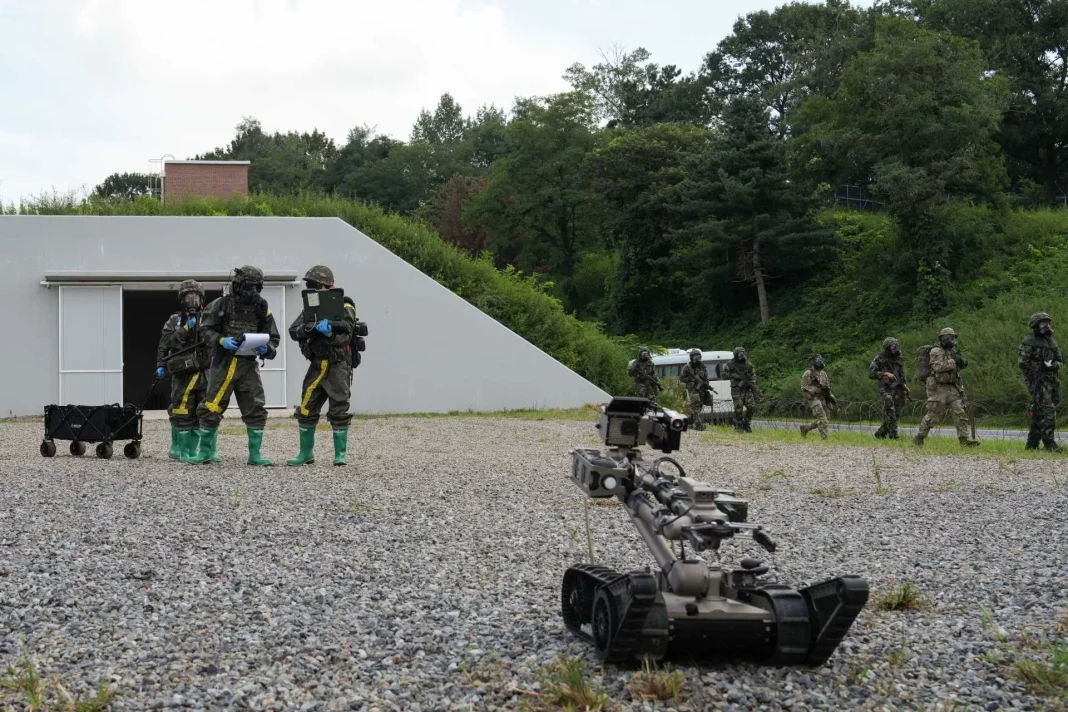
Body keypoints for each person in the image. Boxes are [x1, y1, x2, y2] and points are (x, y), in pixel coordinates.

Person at [186, 265, 281, 465]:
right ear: (237, 285)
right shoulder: (221, 305)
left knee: (255, 406)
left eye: (256, 287)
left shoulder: (263, 309)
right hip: (224, 363)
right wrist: (221, 341)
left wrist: (267, 349)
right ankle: (205, 452)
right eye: (248, 286)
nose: (252, 291)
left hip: (248, 365)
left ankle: (255, 455)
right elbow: (205, 330)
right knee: (212, 405)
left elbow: (273, 337)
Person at [287, 265, 358, 467]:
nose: (312, 288)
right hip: (317, 364)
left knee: (339, 407)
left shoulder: (345, 305)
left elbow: (346, 334)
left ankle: (340, 455)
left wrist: (329, 333)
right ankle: (306, 454)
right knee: (307, 406)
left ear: (325, 285)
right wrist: (310, 329)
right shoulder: (311, 307)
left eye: (314, 284)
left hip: (338, 365)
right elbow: (294, 330)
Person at [156, 279, 214, 460]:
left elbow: (216, 341)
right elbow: (165, 344)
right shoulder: (175, 320)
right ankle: (181, 451)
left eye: (195, 296)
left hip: (205, 372)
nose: (192, 300)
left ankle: (198, 450)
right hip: (182, 374)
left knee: (203, 411)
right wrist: (161, 365)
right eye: (188, 296)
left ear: (201, 298)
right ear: (182, 299)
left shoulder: (209, 318)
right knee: (180, 409)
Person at [914, 327, 979, 447]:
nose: (950, 339)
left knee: (960, 412)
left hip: (952, 386)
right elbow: (937, 367)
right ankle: (919, 438)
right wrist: (953, 362)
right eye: (947, 337)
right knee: (933, 415)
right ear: (941, 339)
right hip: (938, 388)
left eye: (952, 337)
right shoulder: (935, 351)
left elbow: (958, 366)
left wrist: (961, 362)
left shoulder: (952, 351)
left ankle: (964, 440)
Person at [1018, 312, 1061, 451]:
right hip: (1038, 381)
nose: (1046, 325)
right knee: (1048, 411)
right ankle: (1050, 444)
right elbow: (1022, 363)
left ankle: (1031, 444)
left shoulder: (1051, 341)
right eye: (1042, 323)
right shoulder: (1029, 341)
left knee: (1039, 412)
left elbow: (1059, 360)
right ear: (1035, 325)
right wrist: (1038, 369)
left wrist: (1054, 365)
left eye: (1047, 322)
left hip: (1052, 380)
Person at [869, 337, 909, 440]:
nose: (894, 348)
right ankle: (894, 435)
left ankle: (881, 432)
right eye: (892, 346)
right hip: (885, 387)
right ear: (887, 347)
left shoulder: (898, 358)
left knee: (897, 414)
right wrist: (884, 373)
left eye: (895, 346)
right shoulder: (880, 358)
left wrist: (905, 386)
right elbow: (871, 373)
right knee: (889, 405)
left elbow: (901, 375)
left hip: (898, 387)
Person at [721, 347, 757, 433]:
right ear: (736, 355)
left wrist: (751, 382)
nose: (742, 356)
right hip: (736, 389)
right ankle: (738, 425)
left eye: (743, 354)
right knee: (738, 409)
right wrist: (734, 376)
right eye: (740, 354)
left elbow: (753, 376)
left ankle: (746, 423)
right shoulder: (729, 364)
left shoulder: (748, 364)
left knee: (751, 407)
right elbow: (724, 375)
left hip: (747, 389)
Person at [800, 355, 835, 440]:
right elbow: (803, 386)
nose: (821, 363)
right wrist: (814, 389)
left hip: (823, 398)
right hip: (814, 399)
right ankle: (824, 439)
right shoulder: (808, 373)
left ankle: (806, 428)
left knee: (825, 419)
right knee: (823, 419)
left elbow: (827, 386)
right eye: (819, 361)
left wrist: (831, 396)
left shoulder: (823, 373)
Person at [680, 349, 714, 430]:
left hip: (701, 389)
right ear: (692, 357)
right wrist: (692, 379)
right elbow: (682, 378)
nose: (697, 358)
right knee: (696, 405)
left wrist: (706, 384)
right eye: (695, 356)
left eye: (698, 356)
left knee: (700, 406)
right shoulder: (687, 367)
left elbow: (706, 378)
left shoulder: (703, 367)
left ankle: (691, 421)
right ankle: (699, 425)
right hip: (693, 389)